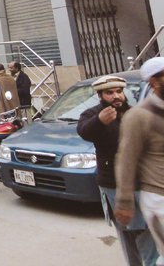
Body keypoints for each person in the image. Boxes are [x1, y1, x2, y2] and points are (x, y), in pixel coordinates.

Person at [78, 74, 158, 266]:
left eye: (119, 91)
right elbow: (84, 131)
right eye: (110, 93)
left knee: (147, 229)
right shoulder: (92, 115)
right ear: (100, 95)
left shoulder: (133, 112)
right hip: (113, 184)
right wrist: (99, 121)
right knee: (129, 230)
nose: (116, 96)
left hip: (142, 182)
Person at [117, 57, 164, 263]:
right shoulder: (139, 116)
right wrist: (125, 201)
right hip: (159, 199)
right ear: (154, 82)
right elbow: (127, 159)